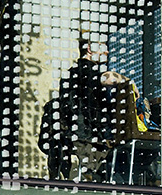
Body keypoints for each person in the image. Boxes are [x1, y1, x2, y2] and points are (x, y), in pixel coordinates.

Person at [58, 38, 139, 182]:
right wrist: (128, 81)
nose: (107, 51)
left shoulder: (71, 75)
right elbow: (107, 77)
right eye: (102, 47)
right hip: (88, 137)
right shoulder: (87, 70)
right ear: (90, 49)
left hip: (78, 136)